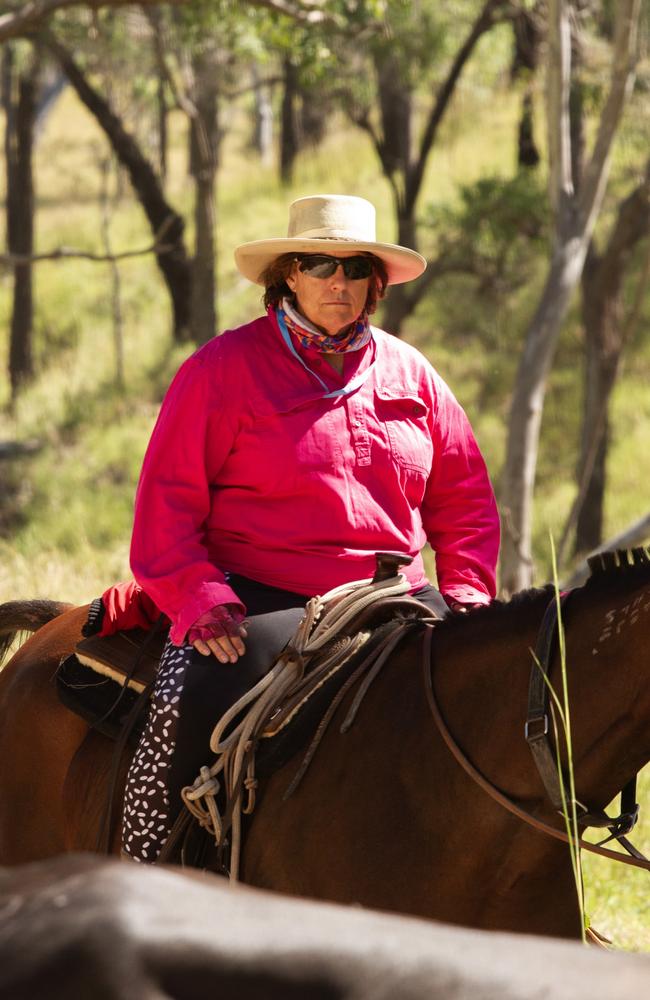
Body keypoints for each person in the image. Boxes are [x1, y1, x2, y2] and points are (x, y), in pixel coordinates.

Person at [121, 193, 500, 863]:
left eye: (355, 268)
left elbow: (464, 497)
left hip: (394, 595)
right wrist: (200, 599)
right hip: (263, 595)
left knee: (491, 709)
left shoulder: (412, 374)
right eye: (319, 265)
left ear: (374, 283)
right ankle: (143, 868)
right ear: (288, 274)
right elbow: (166, 507)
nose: (339, 282)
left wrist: (468, 592)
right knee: (192, 700)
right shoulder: (220, 370)